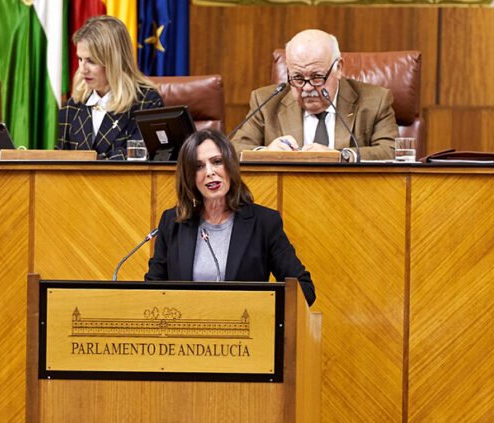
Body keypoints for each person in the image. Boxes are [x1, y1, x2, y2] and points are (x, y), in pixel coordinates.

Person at [145, 128, 316, 305]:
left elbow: (304, 290)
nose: (210, 172)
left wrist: (262, 312)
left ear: (231, 166)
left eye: (217, 162)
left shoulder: (264, 223)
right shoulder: (173, 222)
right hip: (186, 330)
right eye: (199, 166)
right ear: (189, 177)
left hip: (246, 327)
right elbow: (151, 291)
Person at [231, 29, 397, 161]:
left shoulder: (375, 101)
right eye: (297, 78)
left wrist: (340, 156)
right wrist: (266, 153)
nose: (307, 88)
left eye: (317, 77)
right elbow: (234, 149)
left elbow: (392, 151)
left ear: (338, 68)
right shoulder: (266, 102)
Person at [57, 16, 164, 159]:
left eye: (91, 61)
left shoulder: (147, 103)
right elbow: (58, 160)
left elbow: (138, 159)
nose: (82, 69)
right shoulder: (73, 105)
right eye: (80, 59)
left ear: (115, 62)